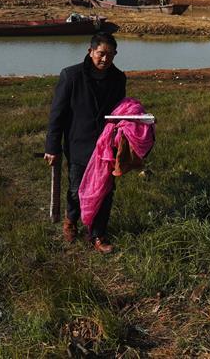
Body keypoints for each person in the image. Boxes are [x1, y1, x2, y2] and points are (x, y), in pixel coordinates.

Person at [45, 32, 126, 253]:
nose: (105, 59)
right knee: (77, 189)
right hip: (78, 144)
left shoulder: (119, 78)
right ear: (90, 51)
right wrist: (52, 147)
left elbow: (121, 112)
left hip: (107, 147)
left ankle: (98, 234)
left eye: (110, 55)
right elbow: (57, 115)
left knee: (105, 191)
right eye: (101, 53)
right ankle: (71, 220)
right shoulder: (71, 76)